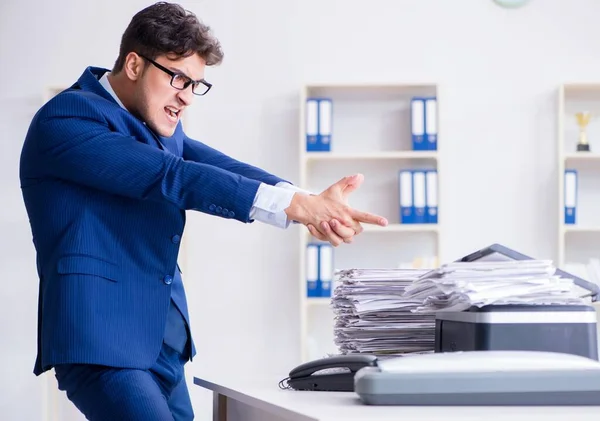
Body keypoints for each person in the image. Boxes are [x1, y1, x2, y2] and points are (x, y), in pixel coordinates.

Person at [19, 2, 388, 420]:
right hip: (102, 342)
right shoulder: (67, 119)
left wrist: (308, 201)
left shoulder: (153, 121)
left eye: (196, 84)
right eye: (178, 78)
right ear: (135, 64)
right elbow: (172, 176)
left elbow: (216, 166)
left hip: (163, 341)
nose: (187, 97)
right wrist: (300, 207)